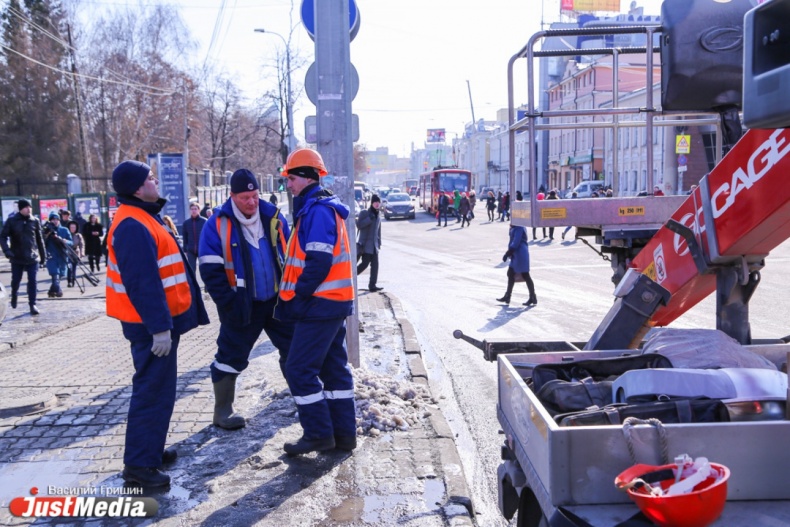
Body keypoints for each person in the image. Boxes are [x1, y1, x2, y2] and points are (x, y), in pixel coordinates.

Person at [106, 160, 208, 488]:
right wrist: (159, 327)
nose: (156, 182)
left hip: (156, 323)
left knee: (160, 390)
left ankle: (150, 450)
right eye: (151, 179)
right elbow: (143, 283)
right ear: (138, 188)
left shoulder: (141, 216)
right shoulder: (133, 224)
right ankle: (139, 468)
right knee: (152, 392)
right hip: (151, 327)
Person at [275, 148, 356, 456]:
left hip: (319, 304)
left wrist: (298, 296)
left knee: (298, 369)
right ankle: (342, 435)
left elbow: (318, 262)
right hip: (329, 303)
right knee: (333, 370)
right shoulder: (316, 208)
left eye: (291, 179)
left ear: (307, 177)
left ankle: (319, 434)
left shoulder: (318, 211)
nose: (289, 186)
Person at [199, 168, 293, 430]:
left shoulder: (273, 216)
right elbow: (209, 270)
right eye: (244, 198)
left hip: (277, 301)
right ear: (232, 196)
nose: (251, 202)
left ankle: (303, 398)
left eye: (254, 195)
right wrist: (228, 304)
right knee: (230, 355)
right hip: (242, 305)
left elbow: (289, 255)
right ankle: (223, 411)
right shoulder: (216, 224)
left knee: (295, 349)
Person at [0, 198, 46, 315]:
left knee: (33, 281)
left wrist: (43, 257)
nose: (29, 209)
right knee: (16, 280)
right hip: (17, 256)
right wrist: (7, 251)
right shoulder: (12, 221)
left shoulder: (34, 221)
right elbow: (3, 237)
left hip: (32, 257)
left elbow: (40, 240)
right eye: (26, 207)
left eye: (30, 207)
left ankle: (32, 304)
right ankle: (14, 294)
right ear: (21, 209)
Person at [497, 224, 537, 306]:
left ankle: (532, 297)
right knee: (510, 274)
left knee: (525, 275)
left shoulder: (520, 227)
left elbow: (516, 242)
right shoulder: (516, 226)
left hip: (520, 254)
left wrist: (507, 253)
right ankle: (508, 296)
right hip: (516, 254)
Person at [356, 194, 383, 291]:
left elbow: (378, 230)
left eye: (378, 202)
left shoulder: (378, 214)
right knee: (364, 264)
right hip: (365, 246)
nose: (377, 204)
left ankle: (372, 285)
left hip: (374, 246)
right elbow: (359, 225)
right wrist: (369, 219)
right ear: (371, 203)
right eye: (375, 202)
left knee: (375, 266)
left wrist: (379, 242)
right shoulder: (365, 213)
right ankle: (351, 277)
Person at [43, 211, 72, 298]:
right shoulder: (46, 230)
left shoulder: (64, 230)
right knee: (55, 274)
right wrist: (46, 234)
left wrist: (65, 241)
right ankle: (59, 290)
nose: (55, 221)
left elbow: (71, 242)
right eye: (53, 219)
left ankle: (52, 291)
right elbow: (42, 242)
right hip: (52, 255)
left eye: (57, 219)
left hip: (62, 256)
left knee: (61, 274)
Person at [181, 202, 206, 274]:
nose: (193, 211)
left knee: (204, 269)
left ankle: (206, 285)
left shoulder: (204, 221)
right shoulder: (186, 223)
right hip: (191, 250)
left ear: (199, 210)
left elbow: (208, 236)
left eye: (195, 209)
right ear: (189, 210)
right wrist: (185, 249)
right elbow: (185, 237)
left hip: (202, 249)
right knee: (191, 270)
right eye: (192, 209)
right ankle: (193, 285)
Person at [66, 221, 84, 287]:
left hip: (76, 253)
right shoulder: (67, 234)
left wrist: (82, 253)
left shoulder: (78, 235)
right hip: (68, 253)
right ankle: (69, 281)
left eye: (74, 227)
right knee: (69, 267)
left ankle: (73, 280)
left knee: (74, 268)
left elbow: (82, 244)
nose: (73, 229)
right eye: (71, 227)